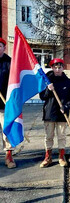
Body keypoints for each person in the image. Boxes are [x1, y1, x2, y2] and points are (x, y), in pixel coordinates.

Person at [39, 58, 70, 168]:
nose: (57, 69)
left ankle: (61, 156)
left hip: (62, 114)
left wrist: (66, 106)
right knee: (48, 136)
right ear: (52, 68)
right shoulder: (47, 81)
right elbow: (42, 97)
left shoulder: (68, 82)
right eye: (55, 67)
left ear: (63, 68)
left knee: (62, 136)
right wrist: (48, 90)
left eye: (59, 67)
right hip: (49, 113)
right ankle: (48, 157)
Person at [0, 38, 17, 169]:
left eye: (0, 46)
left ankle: (9, 156)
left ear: (4, 48)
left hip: (4, 105)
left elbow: (14, 83)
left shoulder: (9, 62)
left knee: (7, 131)